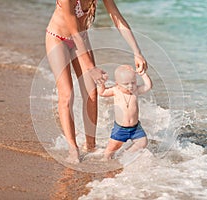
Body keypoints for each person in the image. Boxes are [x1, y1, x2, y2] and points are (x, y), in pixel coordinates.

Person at [45, 0, 148, 163]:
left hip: (81, 40)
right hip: (58, 39)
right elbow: (74, 32)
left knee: (91, 92)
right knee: (67, 94)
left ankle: (90, 145)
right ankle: (73, 149)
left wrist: (137, 52)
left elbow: (117, 18)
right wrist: (91, 67)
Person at [97, 65, 152, 160]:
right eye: (126, 84)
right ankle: (105, 158)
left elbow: (148, 86)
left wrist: (143, 74)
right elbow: (102, 93)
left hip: (135, 128)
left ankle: (124, 155)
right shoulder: (115, 90)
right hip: (120, 129)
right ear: (117, 84)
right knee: (112, 148)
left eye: (133, 82)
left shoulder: (136, 90)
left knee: (143, 142)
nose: (130, 86)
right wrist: (101, 83)